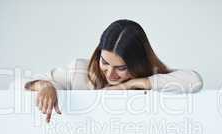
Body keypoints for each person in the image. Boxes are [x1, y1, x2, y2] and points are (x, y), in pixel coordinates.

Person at [24, 19, 203, 123]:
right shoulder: (78, 70)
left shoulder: (152, 78)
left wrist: (134, 84)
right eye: (105, 62)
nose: (110, 74)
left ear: (137, 64)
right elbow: (27, 82)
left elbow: (194, 81)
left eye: (121, 68)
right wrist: (46, 86)